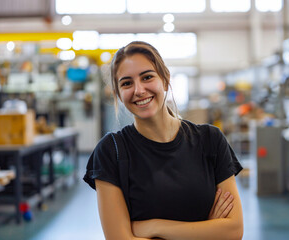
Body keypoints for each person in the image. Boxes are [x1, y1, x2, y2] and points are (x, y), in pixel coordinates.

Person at [83, 41, 243, 240]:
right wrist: (207, 230)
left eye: (147, 77)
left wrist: (153, 227)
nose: (139, 90)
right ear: (118, 94)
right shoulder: (111, 151)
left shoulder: (211, 140)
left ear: (165, 80)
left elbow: (234, 231)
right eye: (127, 83)